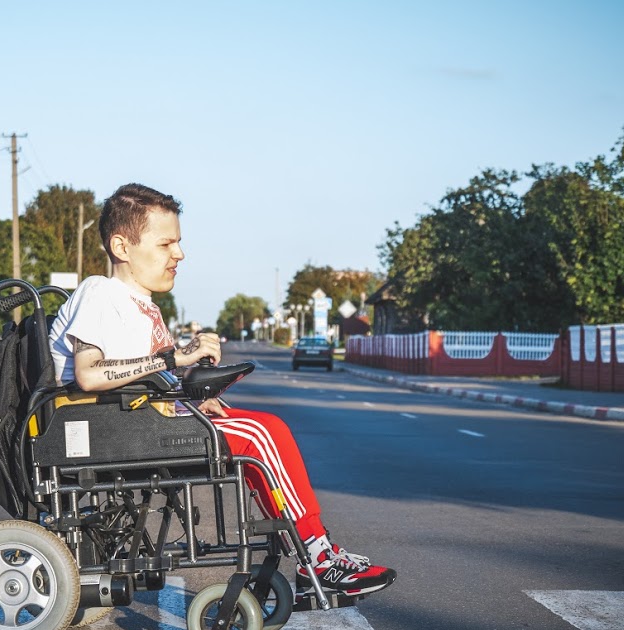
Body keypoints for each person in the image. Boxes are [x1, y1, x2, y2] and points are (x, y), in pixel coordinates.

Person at [48, 183, 394, 597]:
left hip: (137, 421)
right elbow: (89, 374)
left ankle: (310, 549)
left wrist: (193, 392)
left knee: (266, 427)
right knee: (260, 435)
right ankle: (316, 557)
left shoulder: (140, 303)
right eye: (166, 244)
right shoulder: (101, 292)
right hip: (110, 431)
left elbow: (138, 376)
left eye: (178, 243)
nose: (179, 254)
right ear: (122, 246)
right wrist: (174, 359)